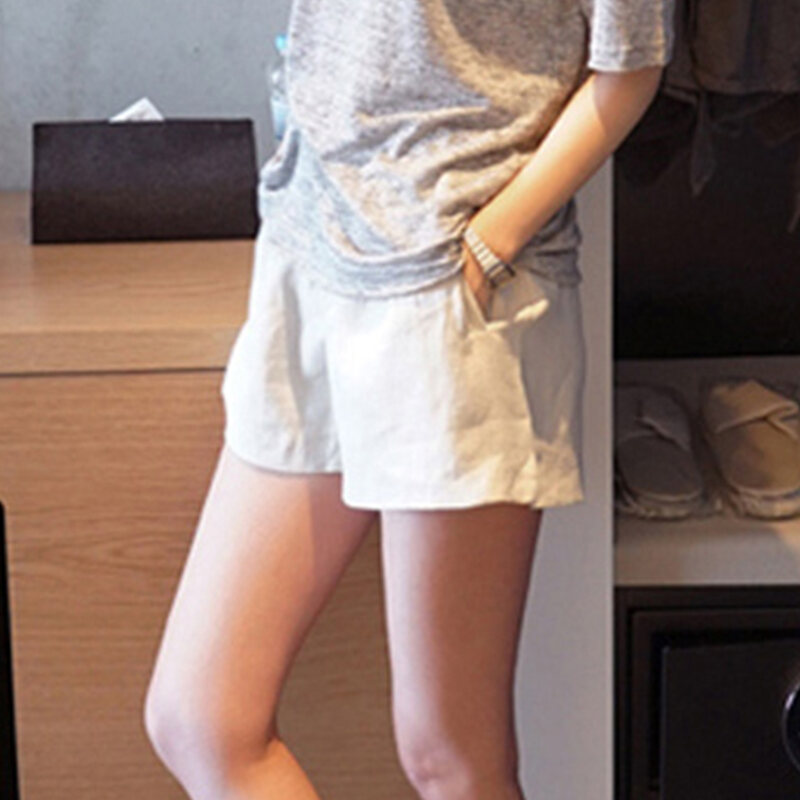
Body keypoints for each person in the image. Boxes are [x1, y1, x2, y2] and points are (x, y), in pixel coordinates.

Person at [144, 0, 675, 797]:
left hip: (449, 284)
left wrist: (491, 243)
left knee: (449, 757)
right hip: (310, 245)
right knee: (199, 717)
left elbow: (631, 65)